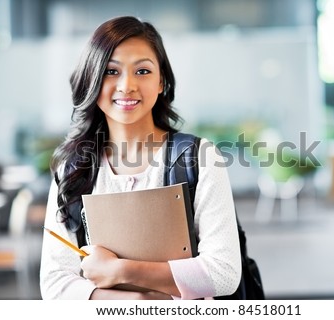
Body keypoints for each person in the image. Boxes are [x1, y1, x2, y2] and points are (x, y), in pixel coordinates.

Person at [39, 16, 241, 300]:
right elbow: (54, 282)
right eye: (111, 71)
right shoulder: (72, 169)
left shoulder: (199, 157)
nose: (127, 85)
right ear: (92, 80)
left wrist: (122, 271)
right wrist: (137, 302)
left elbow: (223, 274)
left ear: (162, 82)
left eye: (143, 71)